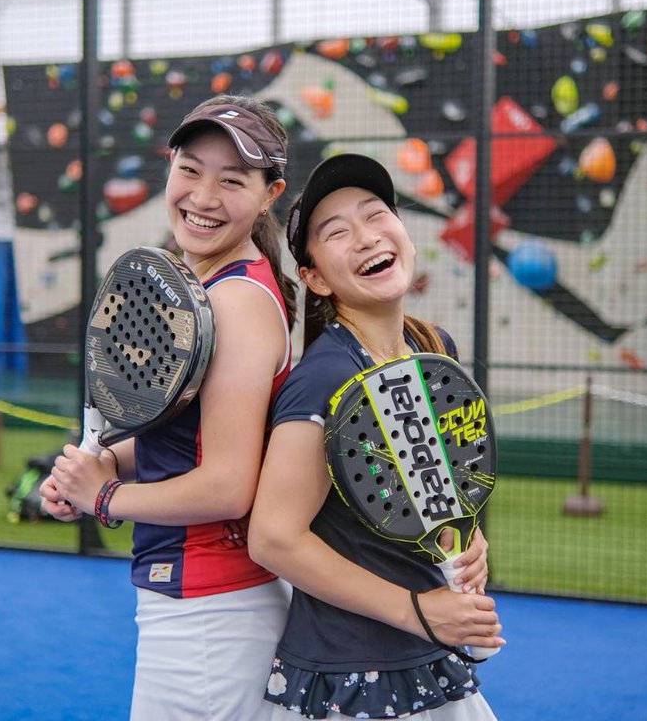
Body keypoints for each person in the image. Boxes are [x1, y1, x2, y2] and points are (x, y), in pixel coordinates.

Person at [39, 95, 296, 720]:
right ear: (169, 166)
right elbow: (189, 440)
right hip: (209, 606)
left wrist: (105, 498)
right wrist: (98, 467)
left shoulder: (235, 301)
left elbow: (228, 484)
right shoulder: (208, 284)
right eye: (190, 169)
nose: (203, 197)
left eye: (231, 180)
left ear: (269, 194)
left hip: (212, 613)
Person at [249, 153, 503, 720]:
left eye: (376, 214)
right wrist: (418, 609)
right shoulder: (323, 379)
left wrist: (469, 543)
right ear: (315, 278)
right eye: (337, 232)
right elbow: (273, 539)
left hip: (425, 657)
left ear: (403, 233)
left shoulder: (432, 349)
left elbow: (432, 495)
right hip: (352, 676)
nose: (366, 237)